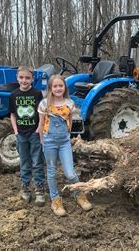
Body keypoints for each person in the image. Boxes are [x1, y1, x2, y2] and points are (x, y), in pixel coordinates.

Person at [37, 75, 93, 216]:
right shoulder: (44, 104)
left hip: (64, 142)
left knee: (70, 172)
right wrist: (42, 141)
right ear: (50, 88)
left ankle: (78, 194)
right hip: (49, 142)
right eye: (55, 86)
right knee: (52, 171)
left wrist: (69, 137)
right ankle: (55, 200)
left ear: (65, 87)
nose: (58, 88)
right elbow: (41, 124)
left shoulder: (69, 103)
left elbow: (69, 120)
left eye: (60, 86)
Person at [9, 66, 45, 206]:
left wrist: (38, 129)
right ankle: (25, 188)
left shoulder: (37, 94)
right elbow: (12, 114)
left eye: (27, 78)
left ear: (32, 79)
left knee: (37, 162)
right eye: (21, 77)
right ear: (17, 78)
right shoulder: (13, 95)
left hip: (34, 133)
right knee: (24, 163)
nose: (24, 80)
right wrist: (16, 131)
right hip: (21, 134)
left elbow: (41, 113)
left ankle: (40, 190)